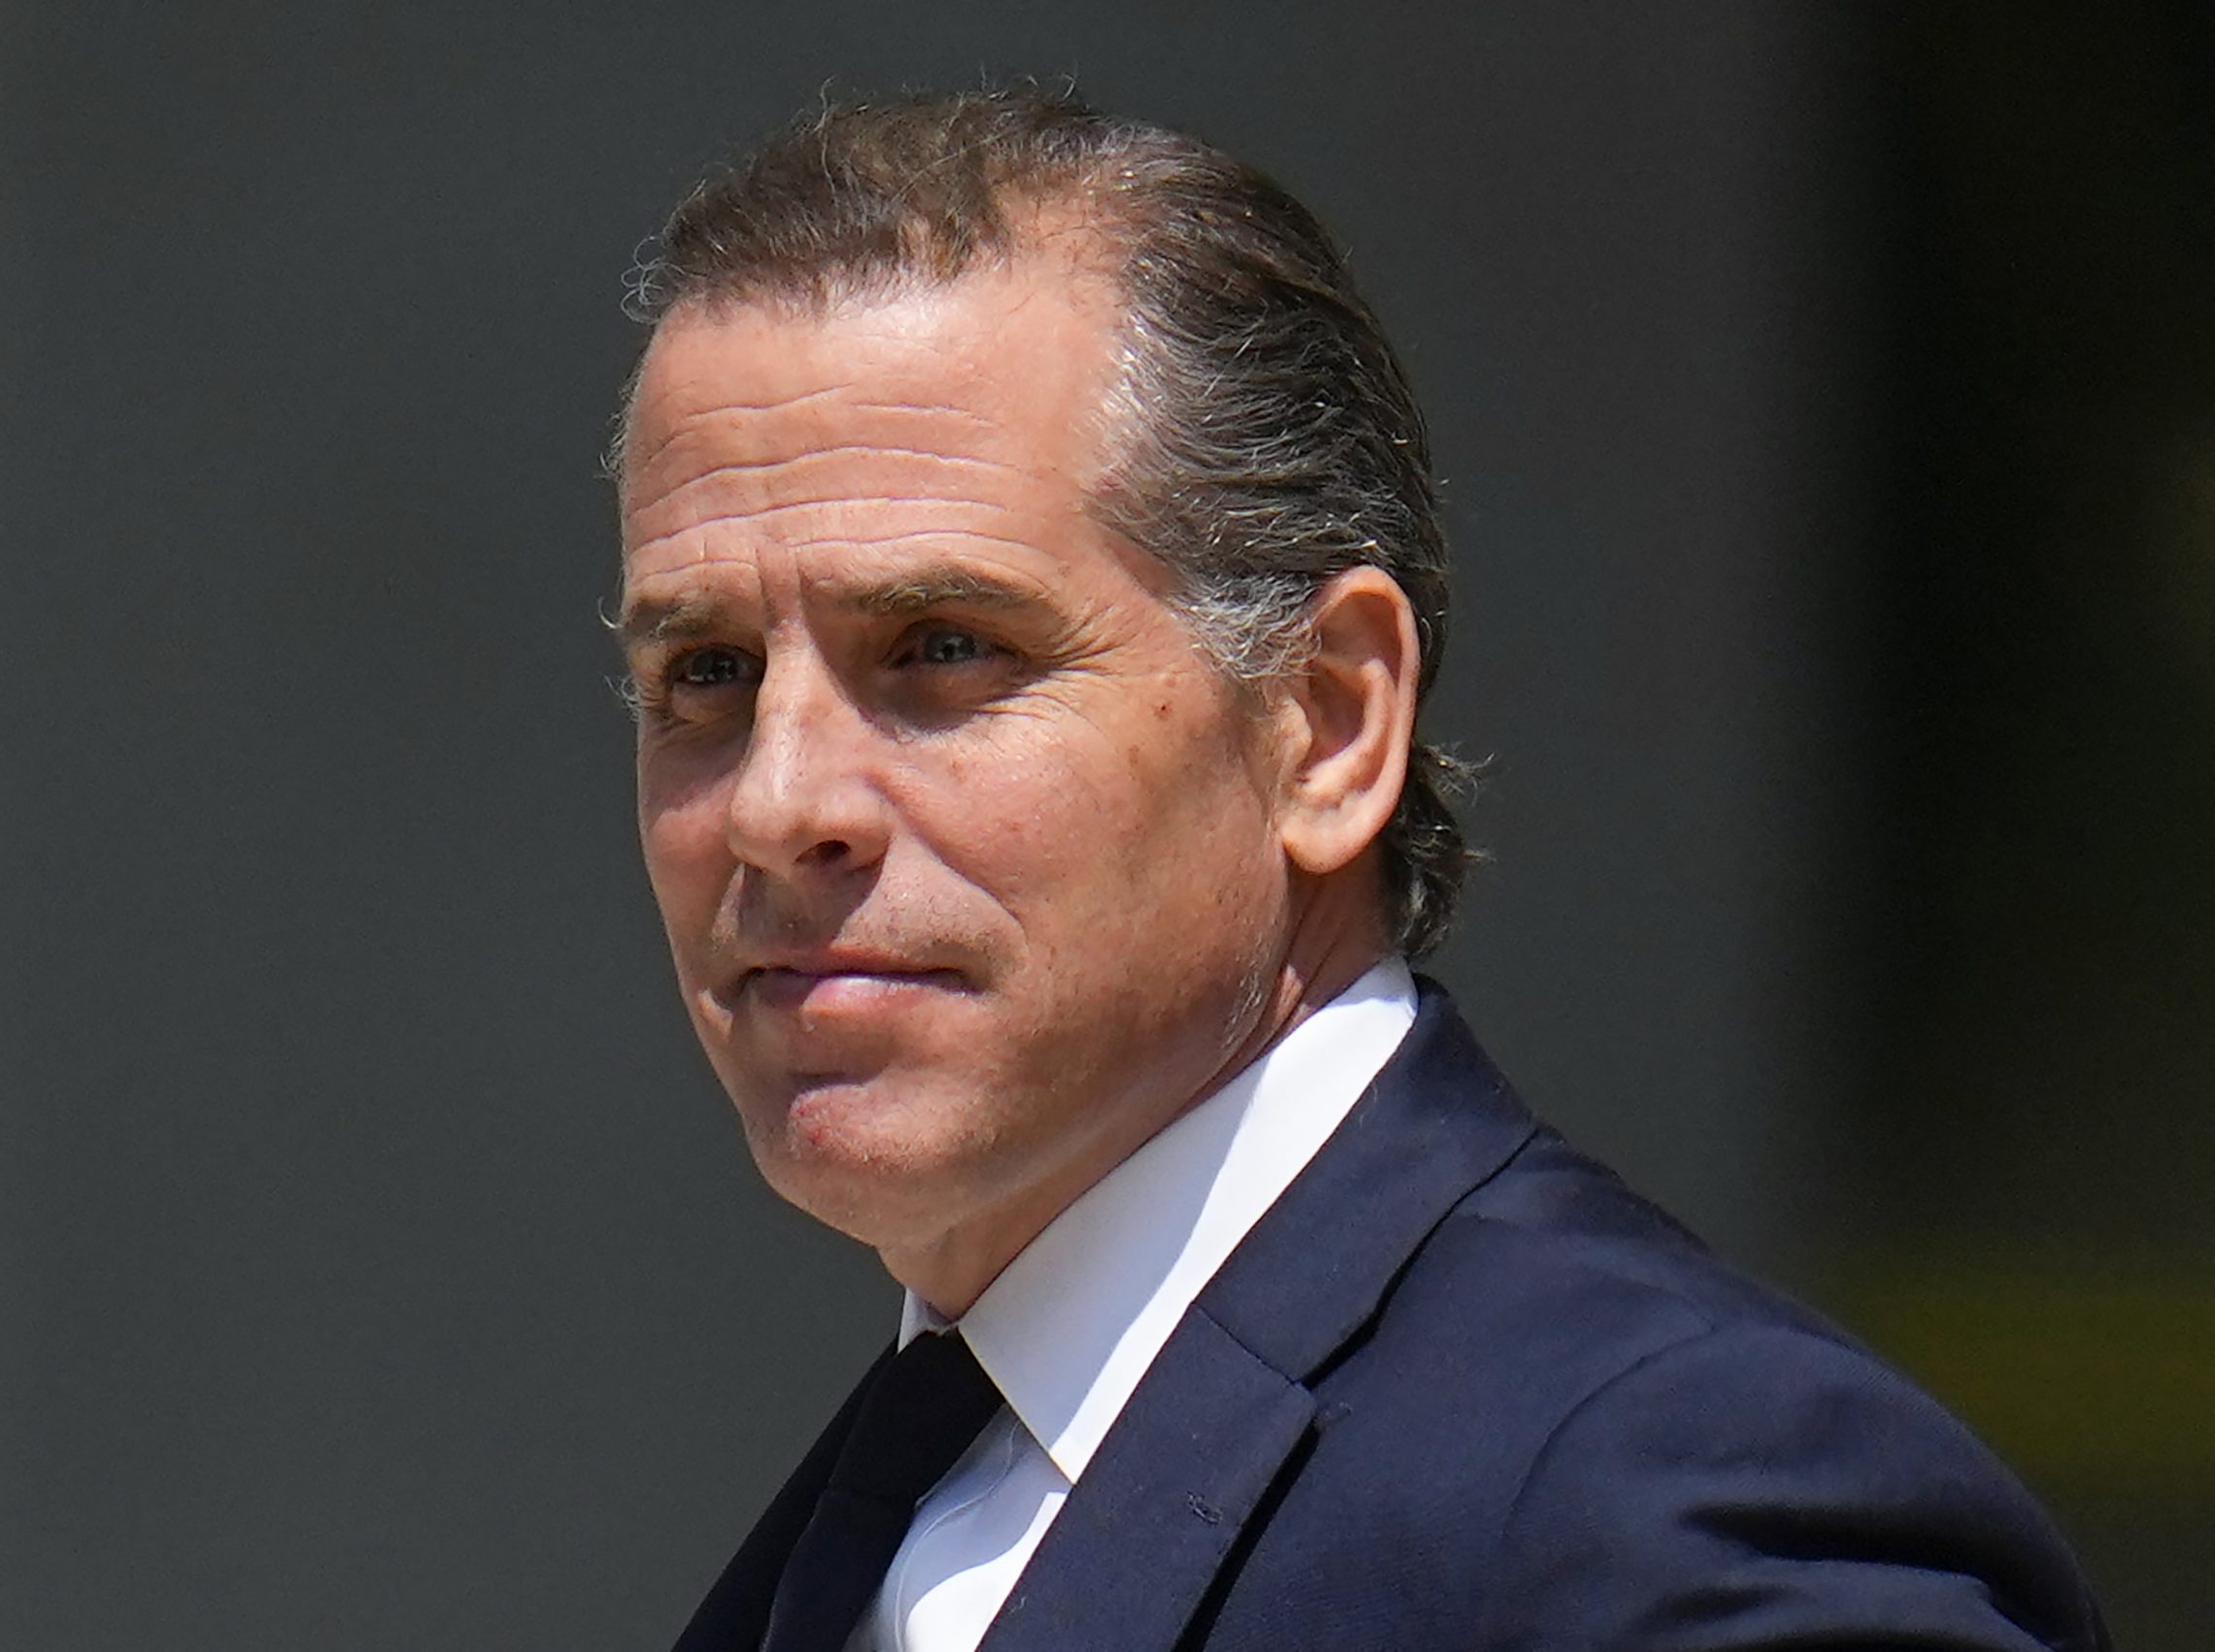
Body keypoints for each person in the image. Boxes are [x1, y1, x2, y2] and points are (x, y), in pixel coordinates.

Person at [613, 87, 2107, 1652]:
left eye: (943, 649)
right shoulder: (897, 1509)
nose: (779, 801)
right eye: (707, 673)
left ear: (1325, 726)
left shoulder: (1680, 1511)